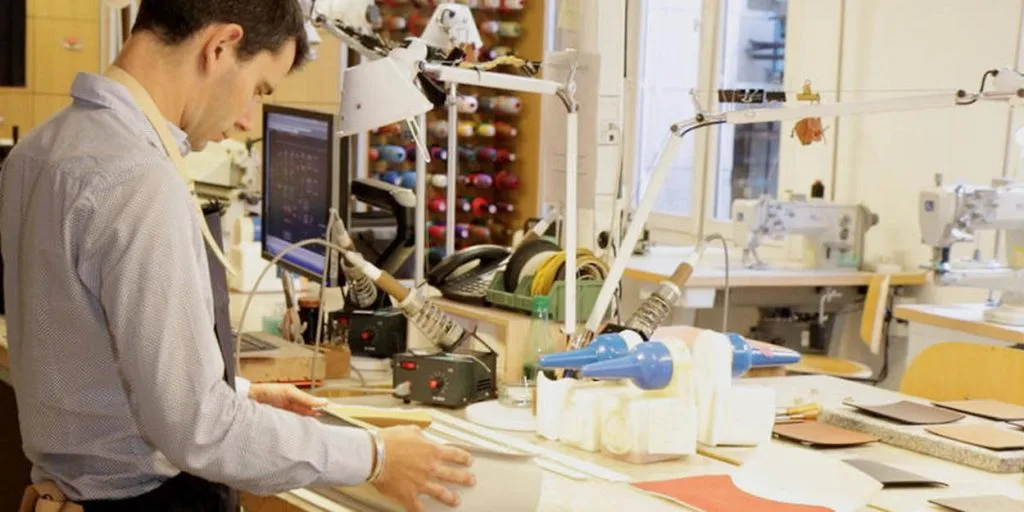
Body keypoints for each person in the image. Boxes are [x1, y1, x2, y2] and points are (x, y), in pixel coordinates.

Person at [0, 1, 475, 511]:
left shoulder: (41, 149)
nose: (247, 119)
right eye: (257, 89)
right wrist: (376, 456)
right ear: (220, 47)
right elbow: (200, 431)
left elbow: (84, 356)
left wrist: (236, 392)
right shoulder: (139, 180)